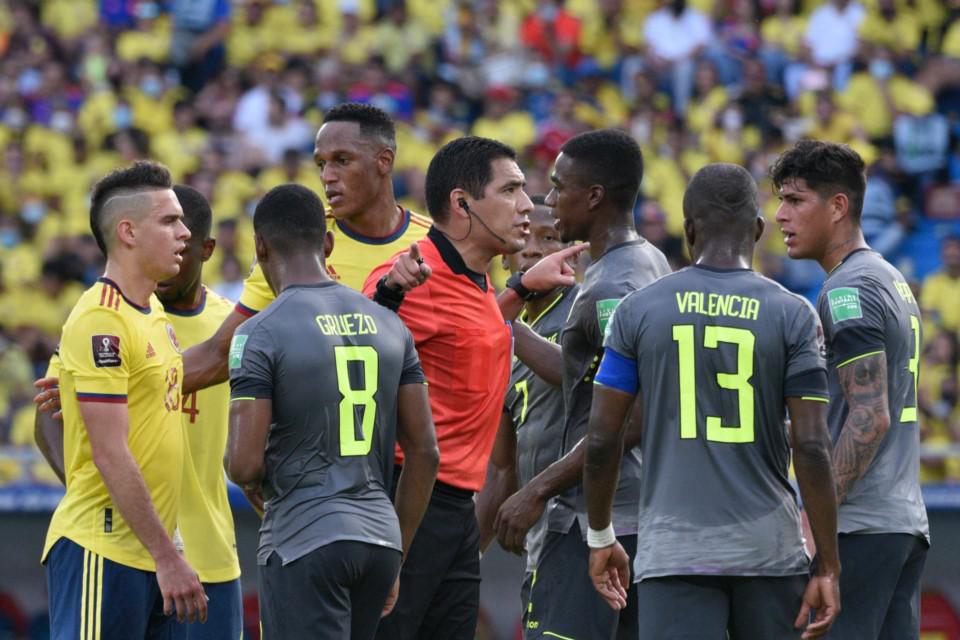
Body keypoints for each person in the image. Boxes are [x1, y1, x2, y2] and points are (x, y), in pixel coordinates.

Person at [584, 163, 841, 639]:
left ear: (688, 231)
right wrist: (827, 563)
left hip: (674, 552)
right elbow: (811, 445)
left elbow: (602, 439)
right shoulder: (794, 314)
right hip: (769, 549)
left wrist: (601, 535)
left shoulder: (637, 310)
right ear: (758, 230)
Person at [362, 137, 584, 639]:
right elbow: (354, 356)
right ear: (462, 204)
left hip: (458, 506)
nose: (526, 205)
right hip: (406, 500)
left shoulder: (475, 280)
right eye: (510, 190)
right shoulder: (412, 275)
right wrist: (388, 295)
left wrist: (521, 289)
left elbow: (470, 333)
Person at [225, 183, 440, 639]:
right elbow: (425, 452)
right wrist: (397, 551)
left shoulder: (259, 332)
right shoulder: (390, 324)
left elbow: (243, 463)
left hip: (304, 537)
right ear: (327, 243)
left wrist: (256, 475)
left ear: (260, 248)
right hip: (380, 540)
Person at [36, 184, 242, 638]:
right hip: (113, 545)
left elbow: (210, 360)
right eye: (169, 222)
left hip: (176, 552)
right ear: (129, 233)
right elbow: (105, 450)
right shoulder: (101, 320)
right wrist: (107, 501)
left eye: (184, 224)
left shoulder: (153, 315)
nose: (182, 233)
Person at [494, 128, 671, 640]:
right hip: (629, 513)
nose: (549, 201)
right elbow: (590, 379)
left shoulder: (614, 285)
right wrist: (507, 327)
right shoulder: (644, 260)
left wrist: (538, 488)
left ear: (593, 196)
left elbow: (632, 412)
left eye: (558, 186)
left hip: (596, 518)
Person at [772, 139, 930, 639]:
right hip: (901, 522)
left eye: (795, 200)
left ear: (838, 205)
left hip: (858, 526)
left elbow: (869, 417)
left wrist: (814, 519)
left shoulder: (848, 289)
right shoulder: (889, 278)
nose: (780, 215)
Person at [180, 102, 431, 393]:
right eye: (321, 164)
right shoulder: (297, 239)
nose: (327, 176)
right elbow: (220, 355)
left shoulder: (434, 244)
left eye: (342, 161)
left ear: (384, 161)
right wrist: (138, 387)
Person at [475, 196, 578, 633]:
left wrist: (499, 320)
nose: (534, 250)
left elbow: (576, 376)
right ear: (505, 257)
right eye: (523, 239)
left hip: (588, 528)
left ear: (573, 254)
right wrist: (465, 558)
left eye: (549, 238)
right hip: (541, 539)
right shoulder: (499, 343)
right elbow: (502, 469)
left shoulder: (584, 311)